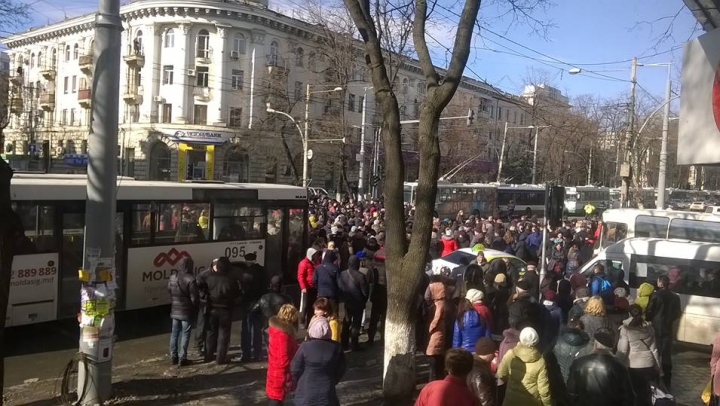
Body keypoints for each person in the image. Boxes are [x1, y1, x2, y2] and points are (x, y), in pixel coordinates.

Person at [566, 328, 635, 406]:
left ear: (595, 345)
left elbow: (571, 392)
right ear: (612, 347)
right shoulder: (619, 366)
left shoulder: (578, 363)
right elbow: (628, 396)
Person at [291, 317, 347, 406]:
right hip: (327, 389)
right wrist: (333, 379)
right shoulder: (336, 347)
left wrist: (300, 380)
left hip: (306, 389)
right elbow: (341, 368)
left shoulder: (305, 346)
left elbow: (295, 368)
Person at [616, 304, 662, 406]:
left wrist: (616, 363)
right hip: (649, 364)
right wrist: (658, 367)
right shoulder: (650, 328)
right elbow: (654, 349)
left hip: (633, 366)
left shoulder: (625, 329)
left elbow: (622, 351)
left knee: (634, 393)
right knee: (647, 393)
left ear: (629, 314)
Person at [496, 327, 552, 406]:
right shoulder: (540, 362)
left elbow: (501, 373)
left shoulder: (511, 354)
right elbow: (544, 390)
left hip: (511, 400)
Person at [645, 275, 681, 388]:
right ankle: (667, 379)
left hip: (656, 327)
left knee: (655, 352)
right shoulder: (675, 296)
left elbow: (649, 311)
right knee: (666, 354)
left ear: (660, 283)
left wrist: (648, 319)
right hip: (667, 327)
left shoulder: (655, 295)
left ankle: (654, 377)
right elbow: (677, 313)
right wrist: (669, 320)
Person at [204, 257, 240, 364]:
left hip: (212, 309)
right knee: (223, 335)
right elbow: (236, 294)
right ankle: (220, 358)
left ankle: (208, 355)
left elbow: (205, 291)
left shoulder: (209, 278)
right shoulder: (231, 279)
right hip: (225, 309)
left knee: (211, 332)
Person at [167, 257, 199, 366]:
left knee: (174, 333)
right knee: (185, 334)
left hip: (175, 310)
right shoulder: (191, 279)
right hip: (186, 312)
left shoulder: (172, 277)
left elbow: (169, 292)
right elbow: (194, 298)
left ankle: (173, 356)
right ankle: (182, 358)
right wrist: (196, 308)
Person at [266, 304, 300, 405]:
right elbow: (283, 360)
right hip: (280, 377)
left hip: (274, 374)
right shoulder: (283, 336)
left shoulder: (277, 331)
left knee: (276, 400)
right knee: (275, 401)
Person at [338, 256, 369, 351]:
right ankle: (355, 345)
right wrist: (364, 300)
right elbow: (365, 292)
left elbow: (340, 287)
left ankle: (344, 343)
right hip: (358, 303)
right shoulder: (360, 276)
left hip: (347, 302)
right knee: (356, 324)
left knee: (346, 322)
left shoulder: (343, 274)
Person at [241, 252, 266, 362]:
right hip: (260, 302)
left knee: (246, 329)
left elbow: (244, 290)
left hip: (249, 303)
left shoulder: (247, 273)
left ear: (247, 261)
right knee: (257, 329)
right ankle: (258, 353)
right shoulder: (262, 270)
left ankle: (246, 354)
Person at [426, 274, 448, 381]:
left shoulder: (438, 304)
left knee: (434, 362)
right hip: (439, 332)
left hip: (436, 334)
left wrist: (429, 328)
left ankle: (432, 382)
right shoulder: (442, 302)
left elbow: (436, 318)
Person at [468, 337, 497, 406]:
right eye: (493, 352)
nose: (494, 355)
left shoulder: (472, 363)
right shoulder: (479, 374)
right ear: (487, 353)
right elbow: (485, 401)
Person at [194, 259, 214, 357]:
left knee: (209, 326)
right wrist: (203, 296)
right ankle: (198, 346)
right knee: (201, 325)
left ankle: (208, 346)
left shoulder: (216, 274)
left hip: (211, 303)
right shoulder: (204, 275)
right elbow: (196, 287)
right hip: (204, 303)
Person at [367, 248, 387, 346]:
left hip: (376, 293)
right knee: (384, 318)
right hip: (386, 294)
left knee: (374, 318)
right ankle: (383, 338)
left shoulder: (375, 263)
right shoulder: (389, 265)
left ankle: (371, 338)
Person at [313, 250, 341, 315]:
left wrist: (319, 288)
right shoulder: (336, 268)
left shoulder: (318, 268)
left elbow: (314, 280)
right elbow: (339, 283)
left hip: (321, 294)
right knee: (334, 313)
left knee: (321, 311)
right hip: (333, 294)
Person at [298, 248, 318, 328]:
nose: (316, 256)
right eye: (315, 254)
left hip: (314, 287)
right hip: (306, 287)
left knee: (312, 305)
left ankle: (310, 321)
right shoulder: (303, 263)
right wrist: (303, 287)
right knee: (305, 305)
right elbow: (300, 276)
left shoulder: (316, 262)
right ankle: (302, 321)